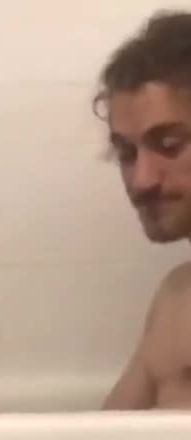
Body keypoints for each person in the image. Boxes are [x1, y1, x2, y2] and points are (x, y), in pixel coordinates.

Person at [93, 10, 191, 409]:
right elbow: (102, 436)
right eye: (127, 153)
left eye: (169, 145)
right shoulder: (176, 296)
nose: (141, 180)